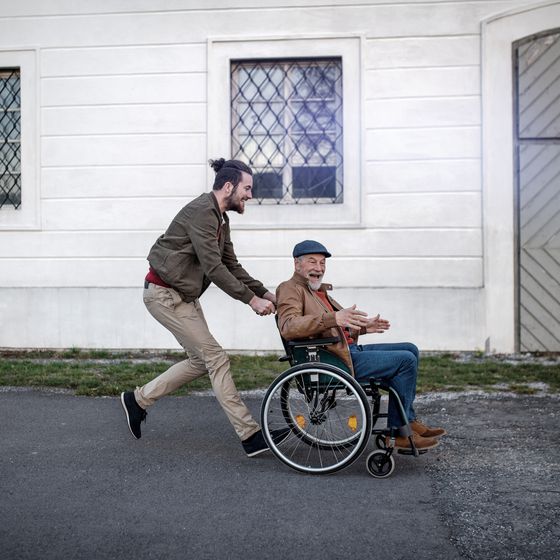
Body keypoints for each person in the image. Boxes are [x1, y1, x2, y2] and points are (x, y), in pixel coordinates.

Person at [120, 158, 288, 457]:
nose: (250, 195)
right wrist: (251, 300)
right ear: (228, 186)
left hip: (181, 295)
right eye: (246, 188)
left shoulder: (221, 218)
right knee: (216, 358)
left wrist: (266, 293)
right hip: (164, 295)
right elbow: (213, 267)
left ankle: (138, 400)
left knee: (201, 362)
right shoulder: (202, 213)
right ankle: (250, 435)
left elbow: (230, 264)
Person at [276, 240, 446, 451]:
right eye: (312, 262)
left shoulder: (317, 291)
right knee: (405, 360)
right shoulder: (289, 289)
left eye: (322, 263)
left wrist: (364, 328)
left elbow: (334, 326)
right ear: (297, 264)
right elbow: (289, 326)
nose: (319, 269)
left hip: (345, 350)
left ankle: (407, 421)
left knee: (410, 348)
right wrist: (334, 318)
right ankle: (399, 431)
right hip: (331, 359)